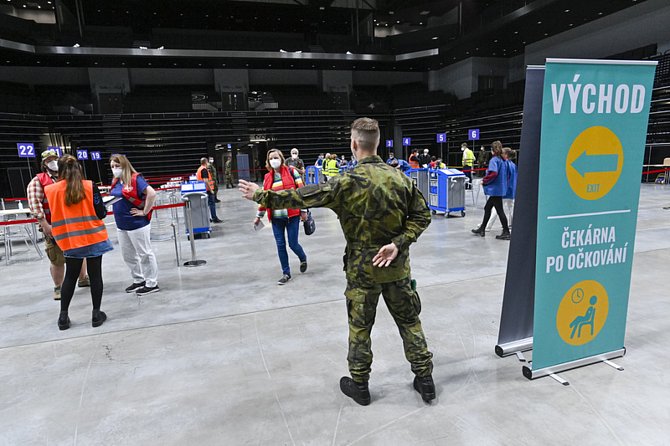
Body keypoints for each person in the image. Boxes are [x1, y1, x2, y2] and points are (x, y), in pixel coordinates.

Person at [239, 117, 435, 406]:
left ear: (354, 144)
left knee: (360, 329)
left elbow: (301, 197)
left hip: (361, 271)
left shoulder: (344, 183)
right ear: (377, 143)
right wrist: (397, 243)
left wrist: (261, 195)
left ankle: (361, 385)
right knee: (409, 322)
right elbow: (423, 216)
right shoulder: (401, 179)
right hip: (396, 268)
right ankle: (426, 380)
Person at [44, 154, 112, 330]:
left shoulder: (51, 190)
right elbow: (101, 213)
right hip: (93, 237)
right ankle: (96, 314)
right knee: (95, 275)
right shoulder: (90, 186)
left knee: (70, 277)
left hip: (69, 240)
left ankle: (63, 317)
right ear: (79, 168)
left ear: (59, 170)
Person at [27, 149, 88, 300]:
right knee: (57, 258)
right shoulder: (38, 181)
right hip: (53, 226)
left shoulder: (67, 177)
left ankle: (83, 278)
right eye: (49, 161)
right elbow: (35, 205)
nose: (53, 162)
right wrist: (45, 224)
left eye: (54, 159)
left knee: (80, 253)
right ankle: (58, 287)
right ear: (44, 164)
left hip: (73, 225)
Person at [254, 149, 308, 285]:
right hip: (276, 218)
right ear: (268, 161)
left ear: (281, 158)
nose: (273, 160)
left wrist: (304, 210)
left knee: (293, 243)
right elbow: (264, 199)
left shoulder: (291, 171)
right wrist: (259, 216)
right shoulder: (267, 178)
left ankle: (302, 257)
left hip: (292, 215)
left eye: (275, 157)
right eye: (271, 158)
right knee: (280, 245)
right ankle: (286, 273)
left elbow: (301, 191)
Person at [109, 154, 160, 296]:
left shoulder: (135, 178)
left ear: (124, 165)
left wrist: (144, 212)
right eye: (112, 166)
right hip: (122, 224)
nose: (115, 169)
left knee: (145, 253)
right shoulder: (116, 181)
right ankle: (139, 279)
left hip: (137, 224)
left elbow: (152, 193)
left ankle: (151, 283)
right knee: (128, 255)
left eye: (117, 166)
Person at [471, 141, 510, 240]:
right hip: (500, 188)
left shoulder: (494, 160)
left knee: (499, 210)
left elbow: (493, 173)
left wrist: (485, 180)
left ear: (492, 150)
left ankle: (506, 231)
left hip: (495, 189)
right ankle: (482, 228)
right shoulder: (503, 160)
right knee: (487, 208)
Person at [485, 148, 517, 231]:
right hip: (512, 190)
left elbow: (504, 177)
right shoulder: (513, 165)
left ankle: (487, 226)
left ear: (506, 154)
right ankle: (513, 225)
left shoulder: (505, 164)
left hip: (505, 191)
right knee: (511, 208)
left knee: (496, 210)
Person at [197, 157, 223, 223]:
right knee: (212, 204)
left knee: (206, 205)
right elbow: (206, 180)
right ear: (206, 162)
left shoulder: (199, 169)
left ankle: (208, 218)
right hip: (207, 190)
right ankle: (214, 218)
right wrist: (211, 189)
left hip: (202, 189)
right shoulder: (204, 170)